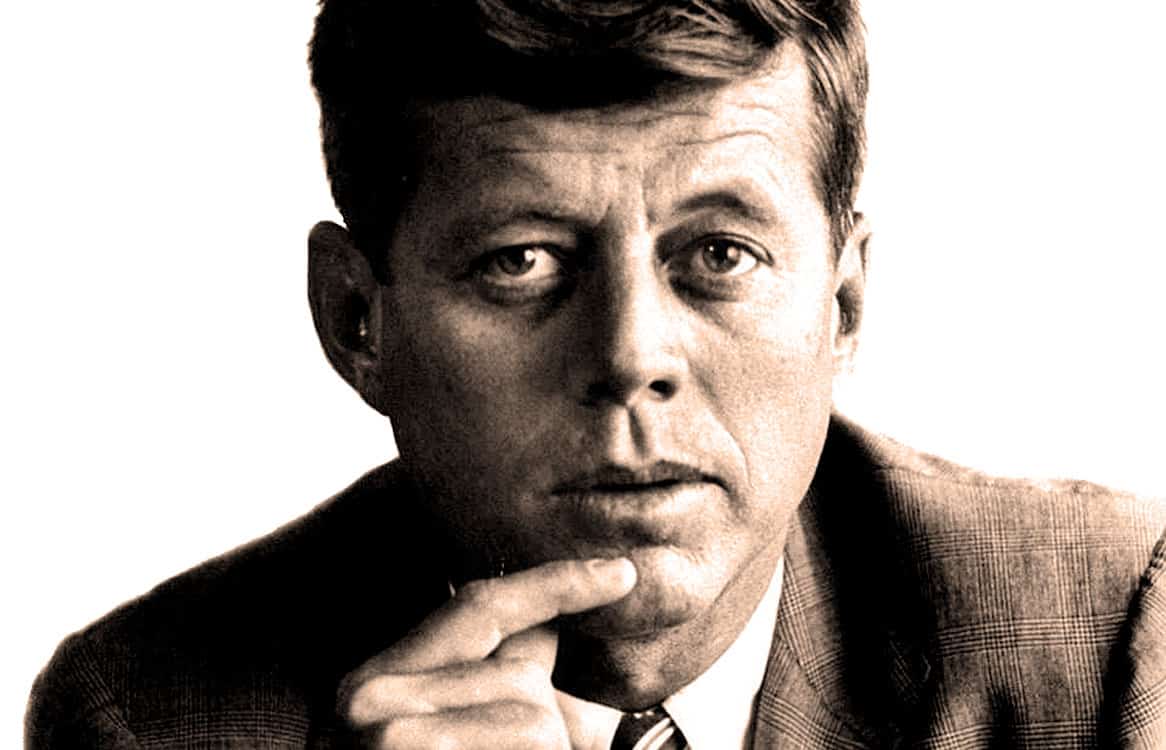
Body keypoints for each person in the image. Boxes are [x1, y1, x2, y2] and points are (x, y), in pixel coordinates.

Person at [25, 1, 1166, 747]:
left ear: (843, 300)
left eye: (718, 255)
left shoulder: (1106, 636)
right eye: (520, 262)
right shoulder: (150, 714)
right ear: (355, 320)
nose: (629, 357)